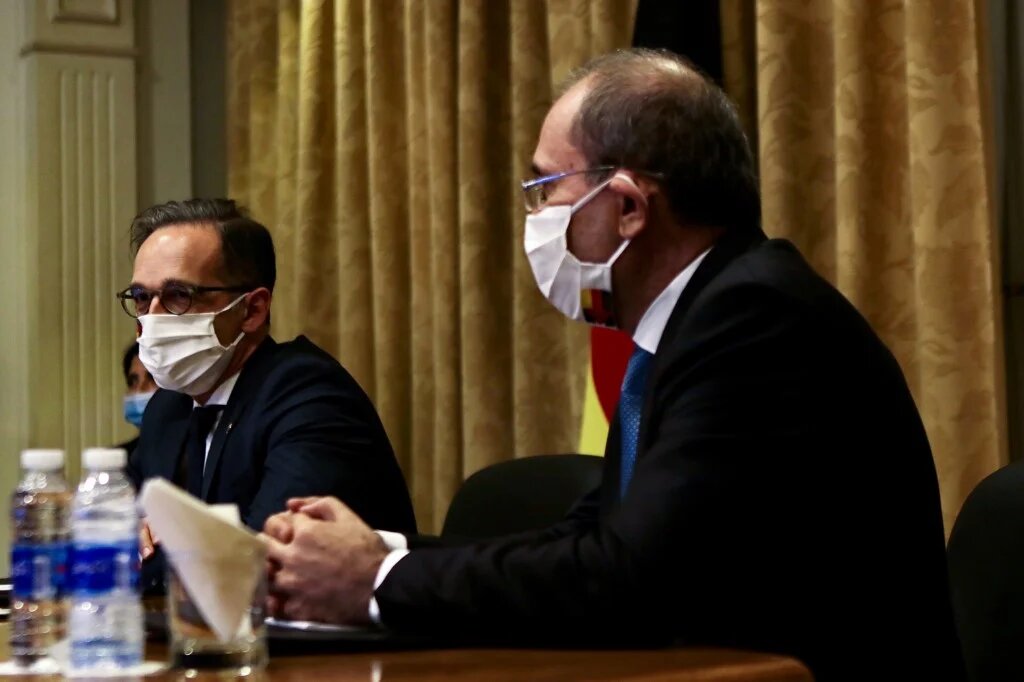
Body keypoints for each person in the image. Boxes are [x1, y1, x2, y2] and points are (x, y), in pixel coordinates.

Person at [261, 49, 964, 680]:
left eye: (545, 189)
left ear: (626, 206)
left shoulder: (754, 321)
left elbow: (629, 578)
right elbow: (593, 540)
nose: (534, 217)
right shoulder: (701, 317)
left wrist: (378, 577)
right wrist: (378, 550)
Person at [122, 199, 416, 582]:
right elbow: (117, 539)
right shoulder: (168, 408)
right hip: (200, 635)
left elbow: (261, 561)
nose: (152, 319)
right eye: (142, 298)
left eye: (179, 296)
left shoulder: (310, 396)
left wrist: (166, 547)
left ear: (252, 310)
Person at [116, 342, 157, 458]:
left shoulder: (201, 457)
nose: (140, 389)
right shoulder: (120, 463)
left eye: (153, 378)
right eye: (133, 381)